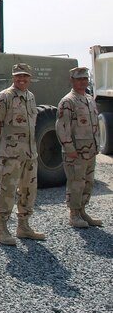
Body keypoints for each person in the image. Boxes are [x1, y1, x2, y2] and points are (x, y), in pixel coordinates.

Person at [0, 63, 46, 245]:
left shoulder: (30, 97)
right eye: (18, 76)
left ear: (30, 78)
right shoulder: (4, 97)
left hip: (29, 154)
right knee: (7, 191)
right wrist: (0, 144)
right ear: (13, 77)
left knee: (28, 190)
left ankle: (24, 226)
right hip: (10, 154)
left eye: (25, 76)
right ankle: (2, 229)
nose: (22, 79)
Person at [56, 66, 103, 228]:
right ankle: (74, 214)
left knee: (88, 182)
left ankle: (82, 211)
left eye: (85, 79)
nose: (83, 82)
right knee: (76, 182)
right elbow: (62, 127)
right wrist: (69, 149)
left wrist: (97, 145)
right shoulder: (68, 101)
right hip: (76, 152)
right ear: (72, 80)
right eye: (79, 79)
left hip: (90, 150)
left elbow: (95, 124)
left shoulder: (89, 99)